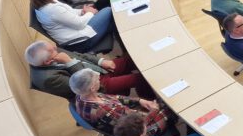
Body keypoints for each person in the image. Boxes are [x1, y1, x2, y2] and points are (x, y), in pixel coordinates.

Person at [25, 41, 154, 102]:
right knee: (141, 78)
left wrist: (101, 61)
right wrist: (69, 62)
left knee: (133, 58)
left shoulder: (51, 52)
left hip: (99, 69)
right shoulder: (48, 79)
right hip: (97, 85)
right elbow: (84, 86)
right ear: (47, 61)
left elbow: (80, 55)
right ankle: (150, 100)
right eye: (53, 50)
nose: (56, 48)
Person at [70, 68, 172, 136]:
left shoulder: (81, 95)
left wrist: (140, 100)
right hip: (139, 133)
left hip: (127, 118)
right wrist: (154, 110)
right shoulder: (104, 110)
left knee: (161, 101)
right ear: (92, 88)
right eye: (97, 80)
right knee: (170, 106)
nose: (99, 78)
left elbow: (114, 98)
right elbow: (136, 126)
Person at [29, 0, 115, 53]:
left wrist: (83, 11)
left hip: (76, 31)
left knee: (105, 11)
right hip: (80, 42)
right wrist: (90, 13)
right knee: (107, 10)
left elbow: (69, 12)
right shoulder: (52, 10)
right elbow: (79, 24)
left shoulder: (48, 1)